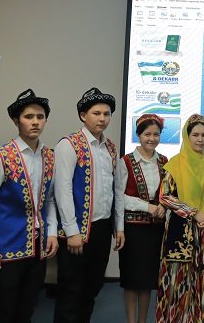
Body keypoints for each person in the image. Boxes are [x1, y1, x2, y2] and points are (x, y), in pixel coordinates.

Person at [0, 89, 57, 323]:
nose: (35, 122)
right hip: (6, 248)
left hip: (38, 249)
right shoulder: (0, 157)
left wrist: (51, 232)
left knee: (27, 309)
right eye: (28, 117)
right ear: (16, 120)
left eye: (40, 117)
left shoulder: (49, 156)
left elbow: (49, 200)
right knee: (3, 311)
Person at [54, 87, 125, 323]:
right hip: (77, 230)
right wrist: (72, 231)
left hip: (102, 228)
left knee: (92, 288)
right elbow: (62, 190)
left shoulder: (110, 147)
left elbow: (116, 189)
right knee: (70, 292)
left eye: (106, 114)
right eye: (97, 113)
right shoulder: (69, 144)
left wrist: (119, 226)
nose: (102, 118)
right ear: (83, 115)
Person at [155, 114, 204, 323]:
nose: (200, 139)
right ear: (186, 136)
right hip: (180, 235)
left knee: (201, 283)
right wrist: (193, 212)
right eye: (195, 135)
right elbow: (165, 196)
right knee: (177, 284)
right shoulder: (175, 164)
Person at [118, 114, 167, 323]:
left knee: (147, 281)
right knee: (131, 281)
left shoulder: (164, 161)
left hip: (155, 230)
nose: (152, 139)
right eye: (147, 134)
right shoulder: (126, 161)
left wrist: (163, 205)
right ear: (138, 135)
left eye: (156, 134)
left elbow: (167, 193)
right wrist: (148, 207)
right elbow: (119, 196)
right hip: (133, 230)